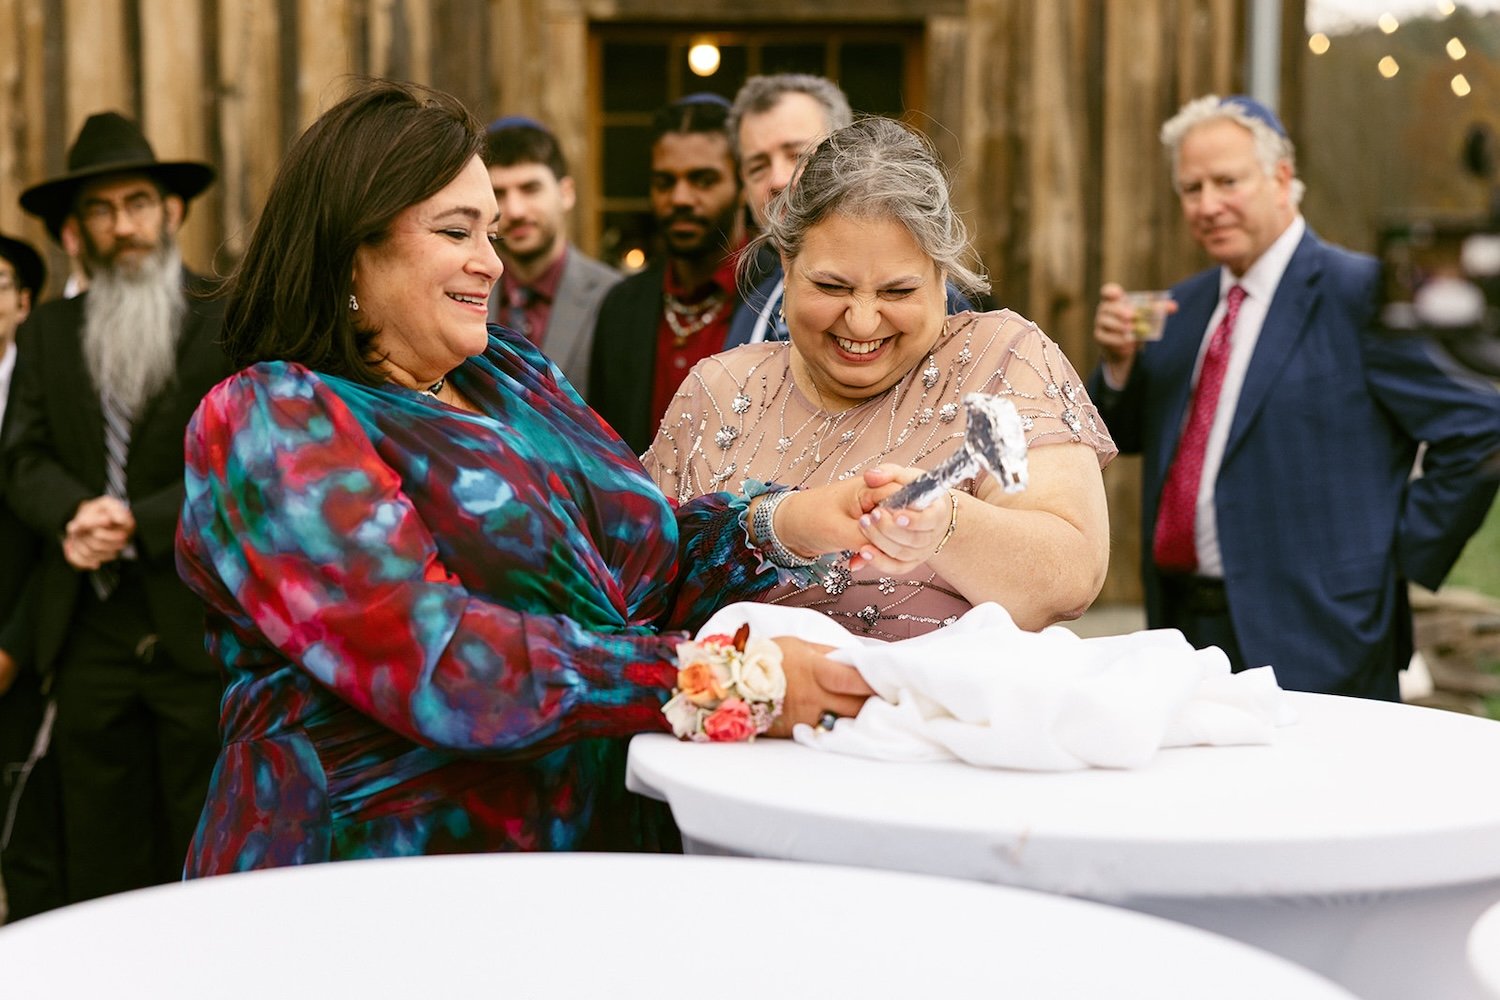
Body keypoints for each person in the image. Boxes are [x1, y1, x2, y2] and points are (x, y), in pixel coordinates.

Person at [173, 80, 889, 875]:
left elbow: (634, 575)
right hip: (373, 882)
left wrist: (788, 523)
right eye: (456, 231)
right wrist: (734, 681)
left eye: (492, 231)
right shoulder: (270, 418)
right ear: (352, 246)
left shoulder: (507, 370)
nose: (492, 261)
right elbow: (444, 664)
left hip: (582, 865)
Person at [1087, 94, 1500, 699]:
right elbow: (1122, 437)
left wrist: (1396, 557)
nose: (1207, 205)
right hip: (1185, 633)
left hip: (1321, 633)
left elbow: (1481, 428)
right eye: (1191, 188)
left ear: (1282, 177)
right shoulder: (1181, 306)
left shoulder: (1360, 292)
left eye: (1227, 181)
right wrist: (1119, 367)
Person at [645, 117, 1116, 637]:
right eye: (831, 286)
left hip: (940, 715)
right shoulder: (719, 387)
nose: (862, 321)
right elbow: (636, 581)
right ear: (786, 260)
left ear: (943, 272)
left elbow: (1073, 577)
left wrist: (946, 525)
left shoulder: (1002, 359)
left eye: (897, 292)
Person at [3, 111, 232, 905]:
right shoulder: (49, 334)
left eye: (137, 202)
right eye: (101, 210)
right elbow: (21, 457)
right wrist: (74, 513)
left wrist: (143, 521)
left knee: (198, 857)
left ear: (170, 212)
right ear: (76, 230)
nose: (122, 224)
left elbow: (244, 464)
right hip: (89, 636)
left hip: (194, 633)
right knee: (98, 862)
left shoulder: (222, 317)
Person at [722, 75, 973, 350]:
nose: (778, 180)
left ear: (848, 153)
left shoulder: (938, 306)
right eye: (757, 167)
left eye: (798, 156)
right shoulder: (754, 297)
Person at [589, 94, 744, 453]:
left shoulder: (774, 295)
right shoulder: (621, 307)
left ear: (741, 186)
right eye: (664, 182)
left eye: (703, 180)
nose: (680, 198)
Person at [0, 232, 65, 922]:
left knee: (29, 841)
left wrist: (14, 647)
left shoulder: (43, 381)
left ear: (22, 300)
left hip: (23, 649)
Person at [483, 115, 620, 392]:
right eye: (499, 193)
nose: (515, 210)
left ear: (566, 193)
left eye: (530, 189)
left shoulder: (614, 296)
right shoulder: (467, 292)